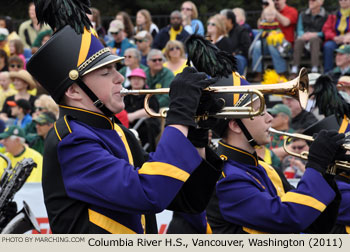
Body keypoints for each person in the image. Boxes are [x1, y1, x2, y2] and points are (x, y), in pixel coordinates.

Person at [26, 1, 223, 233]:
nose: (120, 78)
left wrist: (197, 134)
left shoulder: (117, 132)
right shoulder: (71, 141)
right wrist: (179, 115)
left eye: (116, 69)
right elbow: (149, 194)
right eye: (106, 72)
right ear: (73, 91)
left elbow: (187, 200)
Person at [205, 76, 344, 233]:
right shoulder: (225, 179)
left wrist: (327, 173)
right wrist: (316, 164)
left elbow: (315, 224)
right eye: (260, 112)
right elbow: (288, 218)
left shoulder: (267, 170)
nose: (270, 118)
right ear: (236, 125)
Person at [251, 0, 298, 81]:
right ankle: (258, 73)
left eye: (277, 0)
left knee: (272, 44)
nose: (275, 2)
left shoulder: (292, 10)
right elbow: (260, 25)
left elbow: (285, 22)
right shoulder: (269, 12)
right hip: (268, 42)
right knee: (258, 44)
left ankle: (281, 73)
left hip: (285, 46)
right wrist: (265, 10)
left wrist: (273, 10)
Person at [123, 68, 160, 152]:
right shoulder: (125, 93)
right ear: (130, 80)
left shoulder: (149, 93)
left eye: (139, 78)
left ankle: (147, 153)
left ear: (144, 81)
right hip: (127, 122)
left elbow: (152, 110)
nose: (136, 81)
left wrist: (133, 116)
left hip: (146, 123)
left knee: (147, 128)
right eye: (134, 78)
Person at [290, 0, 328, 78]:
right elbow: (299, 29)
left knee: (314, 40)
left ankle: (315, 69)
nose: (311, 1)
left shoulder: (326, 15)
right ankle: (294, 69)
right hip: (304, 38)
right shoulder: (302, 14)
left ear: (321, 2)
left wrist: (315, 34)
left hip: (318, 40)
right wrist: (303, 35)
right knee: (298, 40)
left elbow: (326, 31)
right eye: (310, 0)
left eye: (313, 0)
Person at [322, 0, 350, 73]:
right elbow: (326, 29)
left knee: (347, 48)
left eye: (345, 0)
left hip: (348, 40)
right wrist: (334, 37)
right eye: (341, 0)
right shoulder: (333, 14)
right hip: (335, 39)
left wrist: (347, 37)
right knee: (328, 46)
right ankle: (328, 73)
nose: (343, 1)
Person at [220, 10, 251, 75]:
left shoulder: (242, 30)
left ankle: (236, 82)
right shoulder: (220, 32)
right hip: (223, 56)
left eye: (222, 20)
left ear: (230, 20)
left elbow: (246, 46)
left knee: (236, 59)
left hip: (239, 56)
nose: (220, 22)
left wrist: (235, 52)